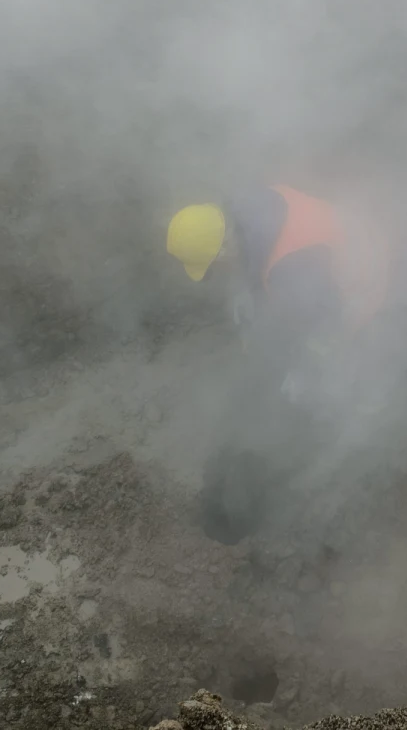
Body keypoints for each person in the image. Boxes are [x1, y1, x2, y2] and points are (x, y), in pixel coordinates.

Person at [166, 184, 391, 542]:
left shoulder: (293, 265)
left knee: (346, 372)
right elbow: (258, 266)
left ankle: (368, 443)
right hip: (331, 257)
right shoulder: (243, 209)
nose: (217, 273)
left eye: (214, 265)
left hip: (360, 279)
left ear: (223, 246)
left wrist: (302, 374)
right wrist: (251, 297)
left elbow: (326, 328)